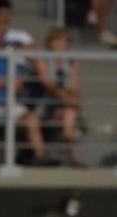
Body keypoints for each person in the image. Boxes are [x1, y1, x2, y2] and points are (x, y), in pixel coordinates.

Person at [0, 20, 57, 166]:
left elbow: (19, 84)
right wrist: (5, 82)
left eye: (1, 36)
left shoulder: (8, 58)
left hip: (5, 104)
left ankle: (41, 156)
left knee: (31, 117)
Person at [33, 27, 83, 167]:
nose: (63, 44)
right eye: (59, 40)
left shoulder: (71, 62)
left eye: (66, 41)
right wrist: (67, 98)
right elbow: (48, 85)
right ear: (51, 42)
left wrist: (72, 98)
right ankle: (72, 154)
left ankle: (68, 142)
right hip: (45, 103)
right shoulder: (42, 59)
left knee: (70, 112)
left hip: (64, 105)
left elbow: (75, 86)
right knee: (70, 110)